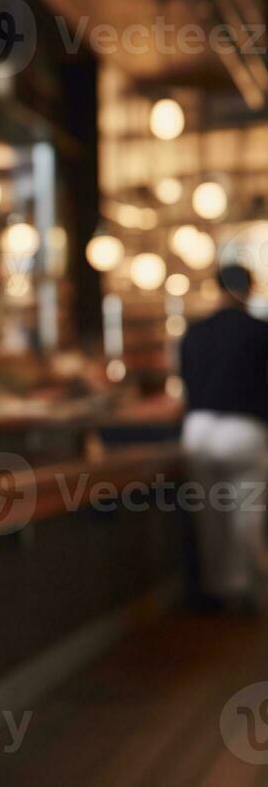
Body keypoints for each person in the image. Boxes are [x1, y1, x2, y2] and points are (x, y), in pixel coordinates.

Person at [177, 262, 268, 612]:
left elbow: (186, 387)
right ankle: (251, 590)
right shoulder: (260, 331)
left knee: (211, 520)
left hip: (198, 430)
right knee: (246, 516)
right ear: (249, 289)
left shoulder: (194, 333)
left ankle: (223, 592)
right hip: (244, 429)